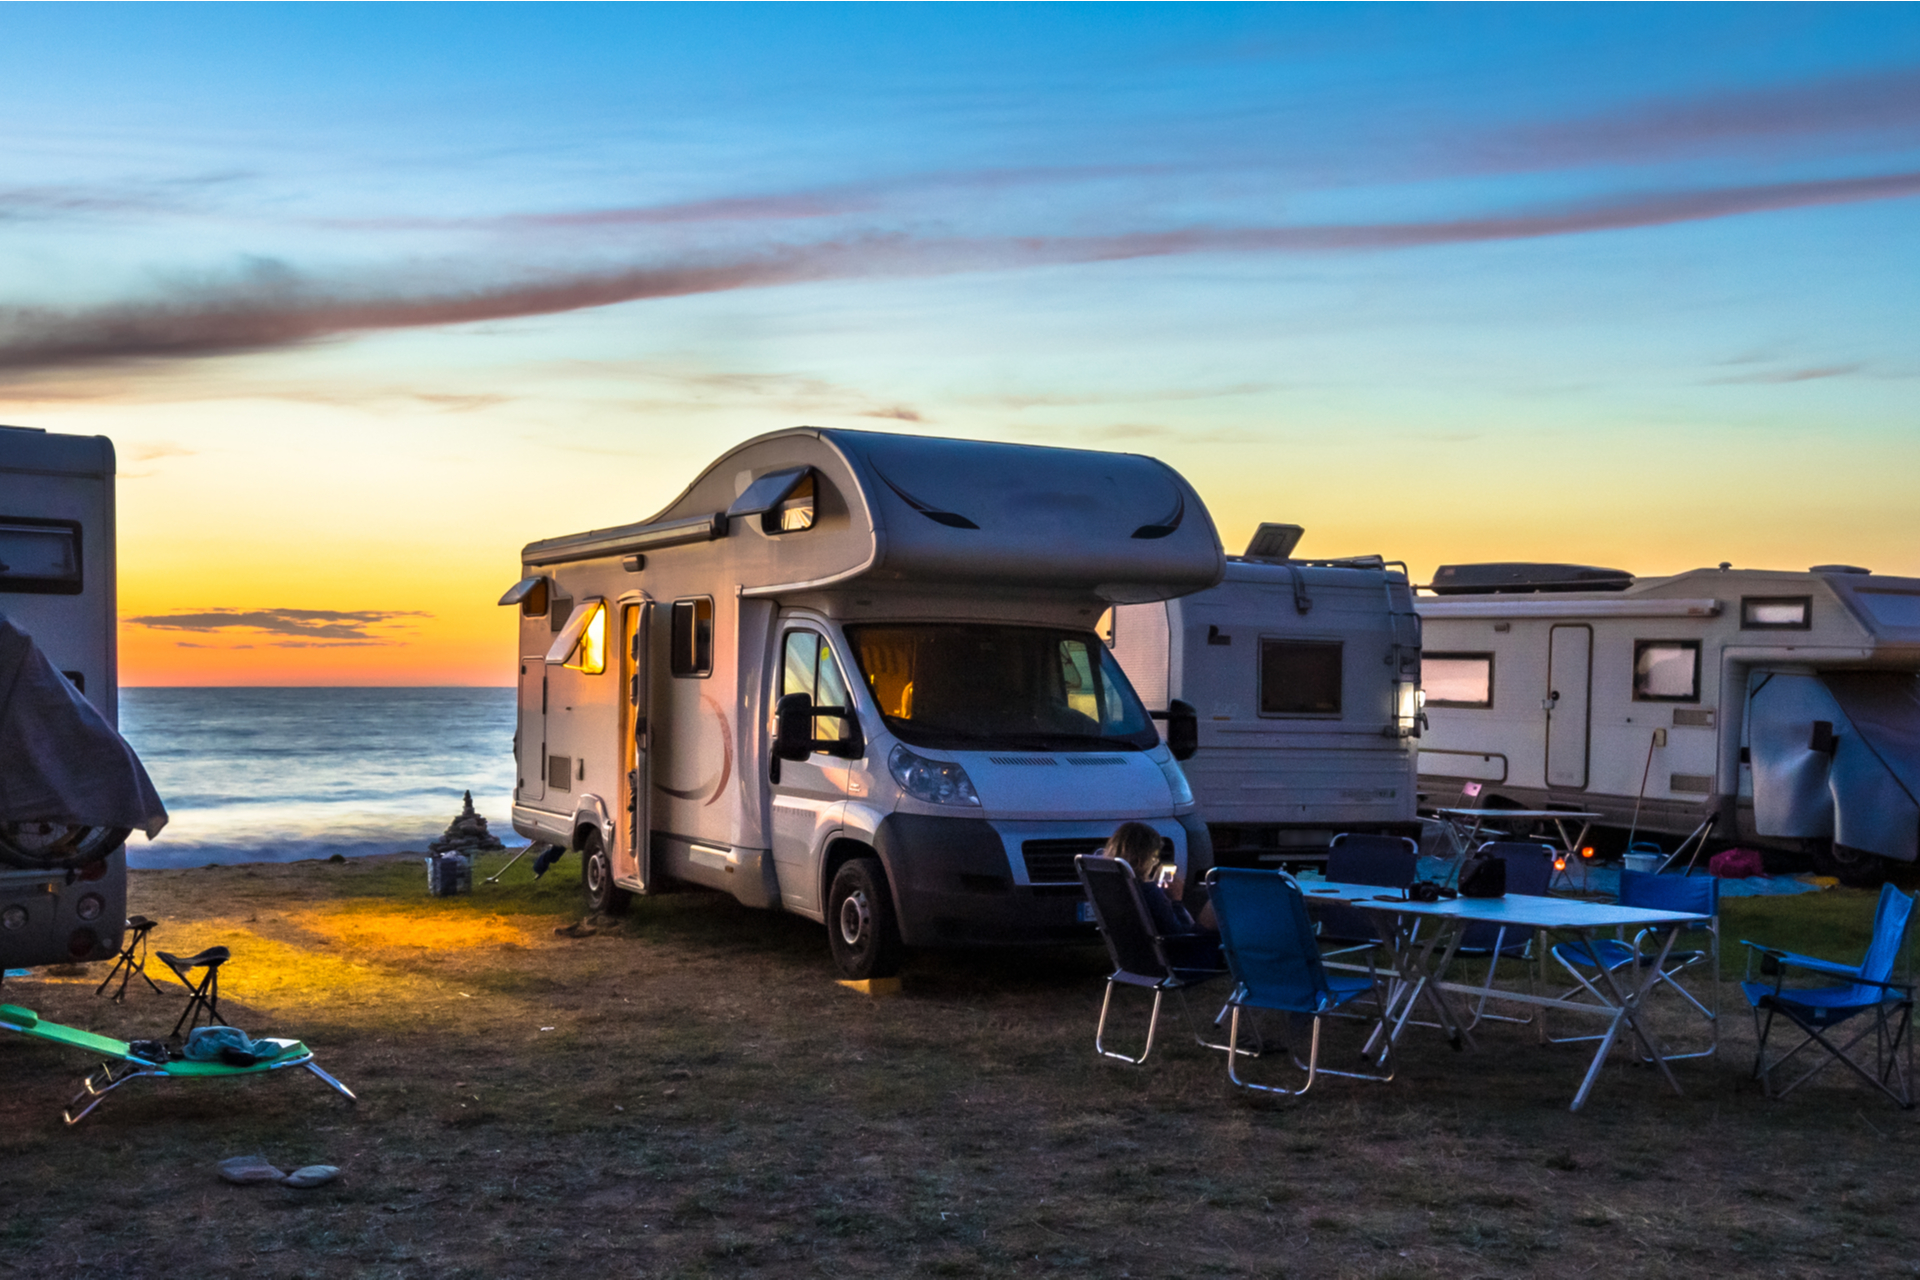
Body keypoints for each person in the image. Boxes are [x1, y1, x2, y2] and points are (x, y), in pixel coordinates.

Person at [1101, 821, 1220, 967]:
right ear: (1140, 861)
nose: (1156, 863)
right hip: (1180, 961)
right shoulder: (1149, 892)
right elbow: (1179, 937)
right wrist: (1176, 901)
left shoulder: (1113, 888)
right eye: (1154, 858)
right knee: (1216, 902)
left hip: (1134, 964)